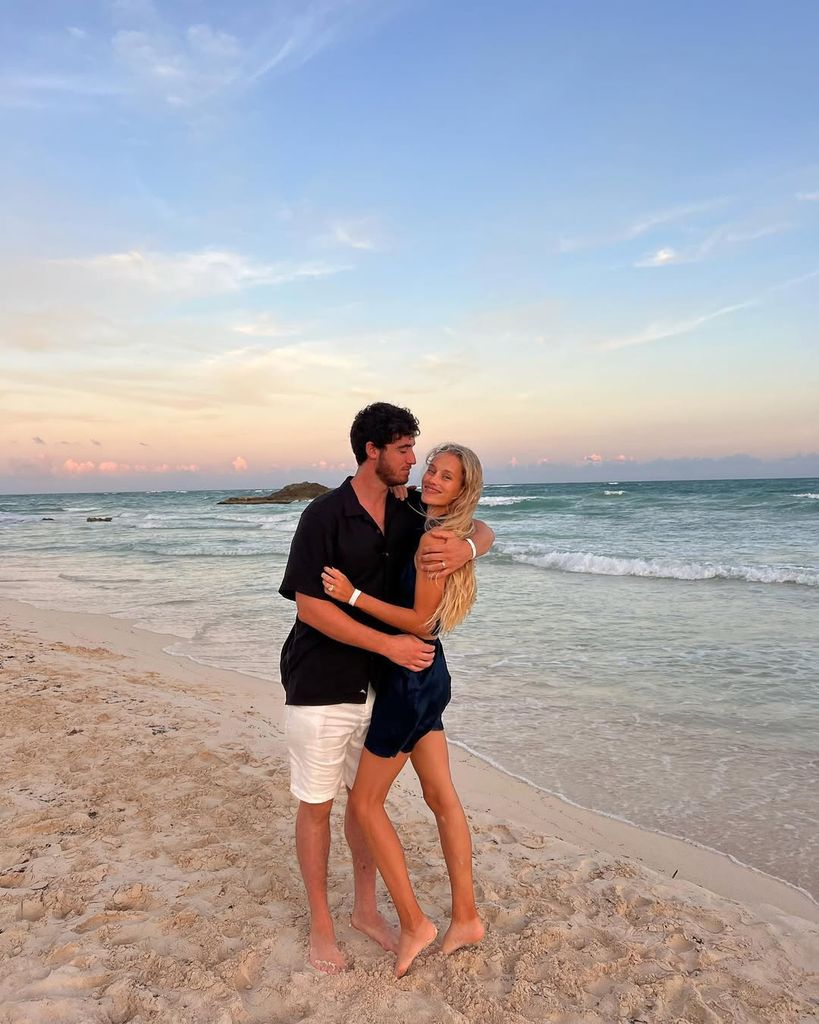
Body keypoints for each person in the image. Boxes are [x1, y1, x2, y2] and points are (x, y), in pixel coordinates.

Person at [278, 403, 494, 974]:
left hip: (391, 685)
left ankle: (373, 913)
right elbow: (309, 607)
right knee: (319, 807)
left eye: (424, 457)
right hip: (325, 682)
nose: (416, 464)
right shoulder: (324, 515)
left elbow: (472, 520)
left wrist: (473, 546)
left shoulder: (411, 514)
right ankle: (324, 928)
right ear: (373, 451)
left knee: (365, 805)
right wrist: (387, 644)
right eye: (405, 450)